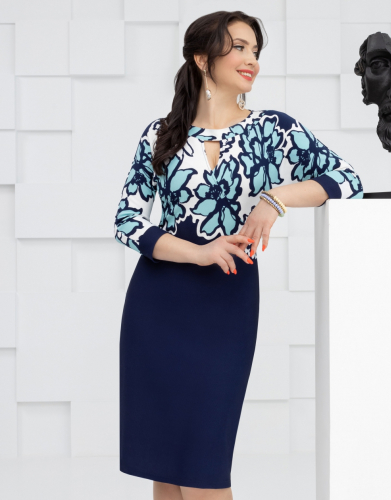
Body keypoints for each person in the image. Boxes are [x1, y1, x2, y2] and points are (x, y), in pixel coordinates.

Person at [114, 10, 364, 500]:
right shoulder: (160, 134)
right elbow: (128, 220)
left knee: (203, 467)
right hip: (158, 305)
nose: (252, 60)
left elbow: (347, 179)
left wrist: (276, 198)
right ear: (201, 58)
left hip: (226, 304)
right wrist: (198, 252)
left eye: (255, 50)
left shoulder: (272, 129)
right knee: (167, 468)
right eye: (239, 47)